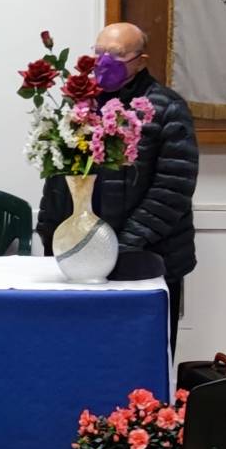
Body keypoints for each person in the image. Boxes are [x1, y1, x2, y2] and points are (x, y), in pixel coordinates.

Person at [35, 22, 199, 345]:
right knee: (76, 350)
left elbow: (172, 190)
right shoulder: (80, 105)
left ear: (140, 60)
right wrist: (50, 232)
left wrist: (117, 247)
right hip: (78, 258)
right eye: (99, 53)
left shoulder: (167, 109)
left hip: (144, 260)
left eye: (116, 54)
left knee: (141, 357)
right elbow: (58, 176)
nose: (104, 61)